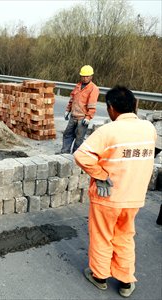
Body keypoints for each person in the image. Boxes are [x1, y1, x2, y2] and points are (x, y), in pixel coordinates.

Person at [74, 86, 157, 298]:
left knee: (102, 235)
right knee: (125, 237)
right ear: (135, 104)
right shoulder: (149, 129)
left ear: (111, 108)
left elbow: (81, 156)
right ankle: (126, 281)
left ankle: (99, 276)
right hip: (134, 197)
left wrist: (100, 174)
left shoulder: (108, 131)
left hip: (108, 197)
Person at [60, 65, 100, 154]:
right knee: (67, 134)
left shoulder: (93, 89)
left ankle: (75, 155)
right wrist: (68, 110)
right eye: (83, 76)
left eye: (87, 76)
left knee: (79, 138)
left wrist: (88, 117)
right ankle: (64, 152)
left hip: (82, 118)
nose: (85, 78)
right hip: (73, 116)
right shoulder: (78, 86)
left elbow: (92, 105)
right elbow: (72, 99)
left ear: (91, 76)